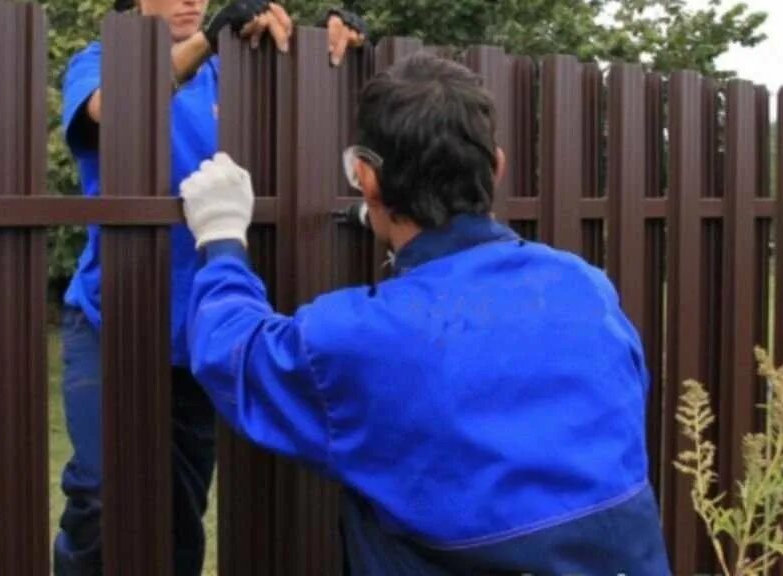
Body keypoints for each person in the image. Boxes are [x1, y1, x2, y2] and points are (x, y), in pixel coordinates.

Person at [179, 53, 671, 574]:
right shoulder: (585, 288)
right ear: (497, 167)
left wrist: (221, 236)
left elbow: (236, 353)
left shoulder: (363, 338)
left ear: (365, 177)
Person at [55, 0, 367, 576]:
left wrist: (338, 46)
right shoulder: (96, 60)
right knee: (100, 493)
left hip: (196, 328)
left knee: (178, 511)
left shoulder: (236, 77)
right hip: (109, 319)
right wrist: (210, 41)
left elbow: (315, 113)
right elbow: (120, 109)